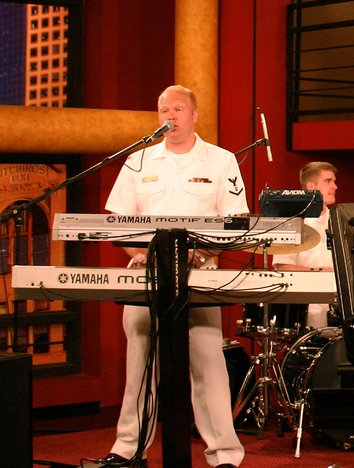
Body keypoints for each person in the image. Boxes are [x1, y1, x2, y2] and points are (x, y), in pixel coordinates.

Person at [88, 85, 247, 468]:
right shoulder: (138, 161)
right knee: (139, 365)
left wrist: (201, 253)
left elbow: (235, 222)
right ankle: (129, 449)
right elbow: (119, 223)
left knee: (209, 366)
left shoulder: (221, 160)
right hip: (147, 277)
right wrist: (141, 254)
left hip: (199, 278)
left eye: (178, 109)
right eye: (164, 110)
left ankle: (225, 455)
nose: (170, 116)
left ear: (194, 115)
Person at [271, 161, 339, 329]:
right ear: (311, 187)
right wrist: (322, 271)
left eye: (334, 181)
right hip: (305, 302)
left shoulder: (339, 220)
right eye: (328, 181)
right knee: (316, 315)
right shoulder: (291, 221)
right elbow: (283, 266)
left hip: (338, 299)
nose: (335, 187)